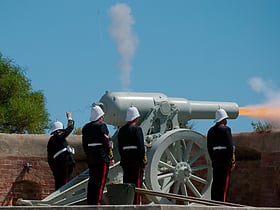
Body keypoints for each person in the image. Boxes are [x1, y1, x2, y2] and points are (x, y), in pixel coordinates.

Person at [82, 105, 114, 205]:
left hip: (91, 157)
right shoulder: (102, 126)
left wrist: (88, 154)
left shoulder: (86, 128)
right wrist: (110, 157)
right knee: (101, 181)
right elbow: (106, 142)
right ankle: (97, 202)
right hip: (101, 157)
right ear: (100, 117)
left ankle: (91, 201)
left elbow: (84, 144)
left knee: (92, 180)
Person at [117, 106, 147, 205]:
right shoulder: (137, 129)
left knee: (127, 183)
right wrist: (143, 161)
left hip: (125, 159)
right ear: (136, 118)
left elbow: (120, 147)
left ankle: (128, 203)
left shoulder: (121, 130)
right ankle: (136, 204)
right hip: (136, 160)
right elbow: (141, 147)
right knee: (136, 184)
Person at [207, 108, 236, 202]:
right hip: (224, 161)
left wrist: (213, 160)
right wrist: (231, 161)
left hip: (215, 160)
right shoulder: (226, 130)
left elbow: (209, 148)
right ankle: (221, 203)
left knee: (216, 183)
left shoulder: (210, 131)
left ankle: (214, 202)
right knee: (224, 184)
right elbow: (230, 147)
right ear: (223, 119)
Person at [47, 112, 75, 191]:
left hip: (57, 166)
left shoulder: (51, 141)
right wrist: (69, 117)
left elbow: (50, 159)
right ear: (59, 131)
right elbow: (70, 128)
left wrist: (54, 169)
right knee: (65, 185)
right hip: (64, 162)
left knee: (59, 185)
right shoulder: (59, 136)